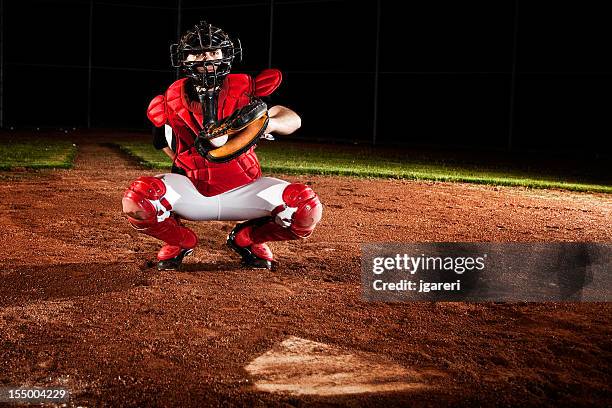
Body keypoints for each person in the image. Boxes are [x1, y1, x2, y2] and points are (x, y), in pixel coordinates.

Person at [121, 21, 323, 271]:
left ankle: (248, 238)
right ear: (184, 59)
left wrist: (263, 126)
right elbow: (163, 143)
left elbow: (293, 119)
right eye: (197, 52)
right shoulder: (170, 101)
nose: (206, 58)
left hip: (245, 189)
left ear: (226, 55)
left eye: (213, 52)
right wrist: (191, 162)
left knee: (305, 207)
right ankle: (181, 241)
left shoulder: (245, 90)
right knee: (139, 199)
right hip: (193, 192)